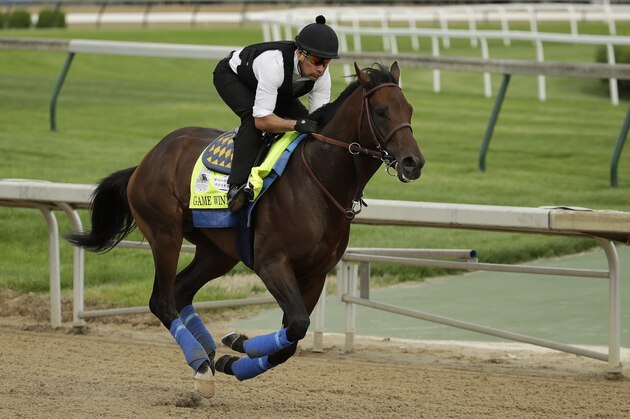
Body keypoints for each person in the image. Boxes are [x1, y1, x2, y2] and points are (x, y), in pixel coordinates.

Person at [212, 15, 339, 212]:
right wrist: (294, 125)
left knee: (310, 125)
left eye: (326, 63)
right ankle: (236, 188)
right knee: (252, 120)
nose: (321, 69)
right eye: (316, 61)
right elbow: (262, 121)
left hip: (277, 87)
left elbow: (317, 121)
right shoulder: (275, 64)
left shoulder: (321, 75)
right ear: (300, 53)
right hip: (232, 77)